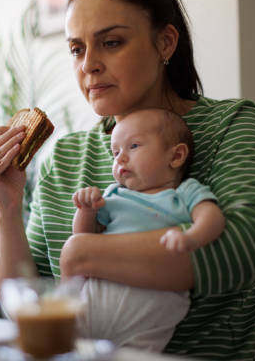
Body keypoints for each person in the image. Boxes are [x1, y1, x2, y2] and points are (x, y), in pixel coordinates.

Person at [0, 0, 255, 360]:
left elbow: (250, 248)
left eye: (111, 42)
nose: (88, 65)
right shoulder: (66, 158)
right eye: (76, 48)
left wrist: (83, 255)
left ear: (165, 43)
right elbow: (26, 297)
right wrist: (8, 206)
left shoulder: (228, 125)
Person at [71, 108, 225, 351]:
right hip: (96, 300)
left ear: (176, 156)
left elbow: (212, 217)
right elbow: (81, 240)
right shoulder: (113, 195)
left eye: (133, 146)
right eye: (115, 152)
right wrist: (86, 209)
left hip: (152, 309)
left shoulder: (184, 193)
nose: (120, 158)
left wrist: (191, 239)